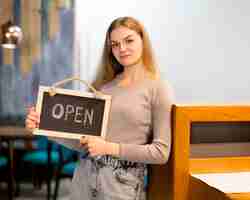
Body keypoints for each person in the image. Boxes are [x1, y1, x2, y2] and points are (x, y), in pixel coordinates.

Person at [25, 16, 174, 200]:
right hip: (84, 179)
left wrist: (109, 147)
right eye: (115, 44)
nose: (122, 49)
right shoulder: (101, 86)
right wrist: (44, 126)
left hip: (121, 186)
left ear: (143, 40)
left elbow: (161, 152)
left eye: (129, 40)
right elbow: (83, 144)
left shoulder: (158, 88)